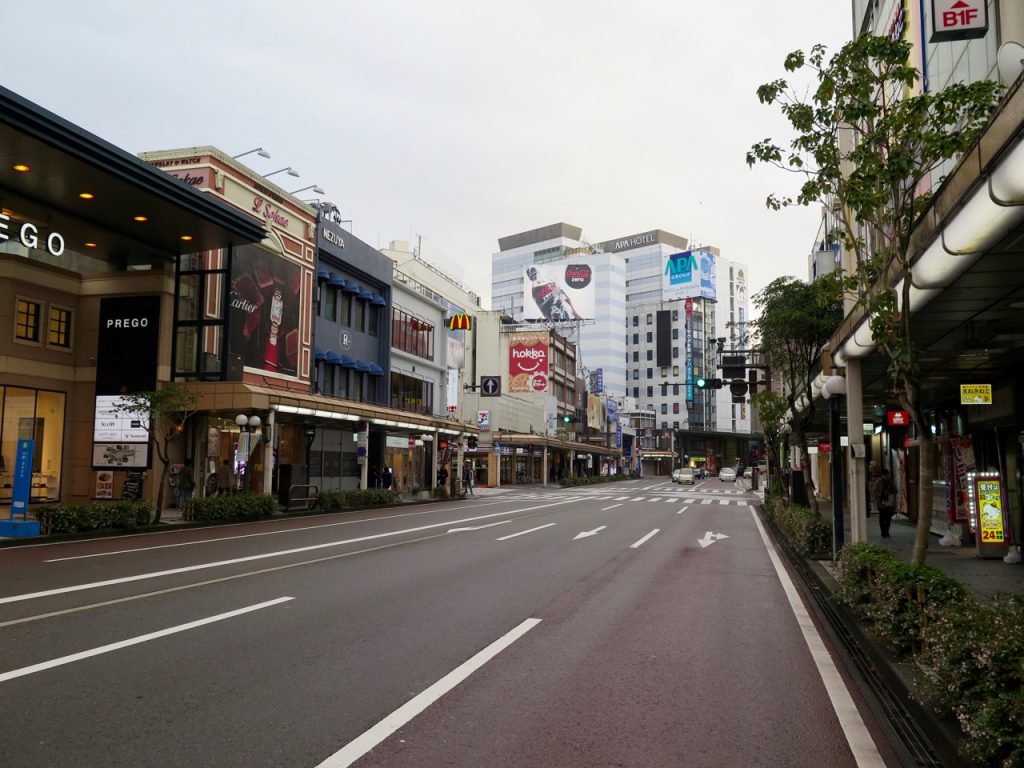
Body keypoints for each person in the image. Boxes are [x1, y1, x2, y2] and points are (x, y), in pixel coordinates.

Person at [876, 468, 897, 538]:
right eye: (884, 475)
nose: (886, 477)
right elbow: (875, 491)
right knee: (882, 517)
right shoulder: (879, 482)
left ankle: (886, 531)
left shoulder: (890, 482)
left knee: (888, 518)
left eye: (887, 475)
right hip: (881, 502)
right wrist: (880, 495)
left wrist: (891, 493)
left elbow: (895, 490)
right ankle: (883, 531)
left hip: (889, 501)